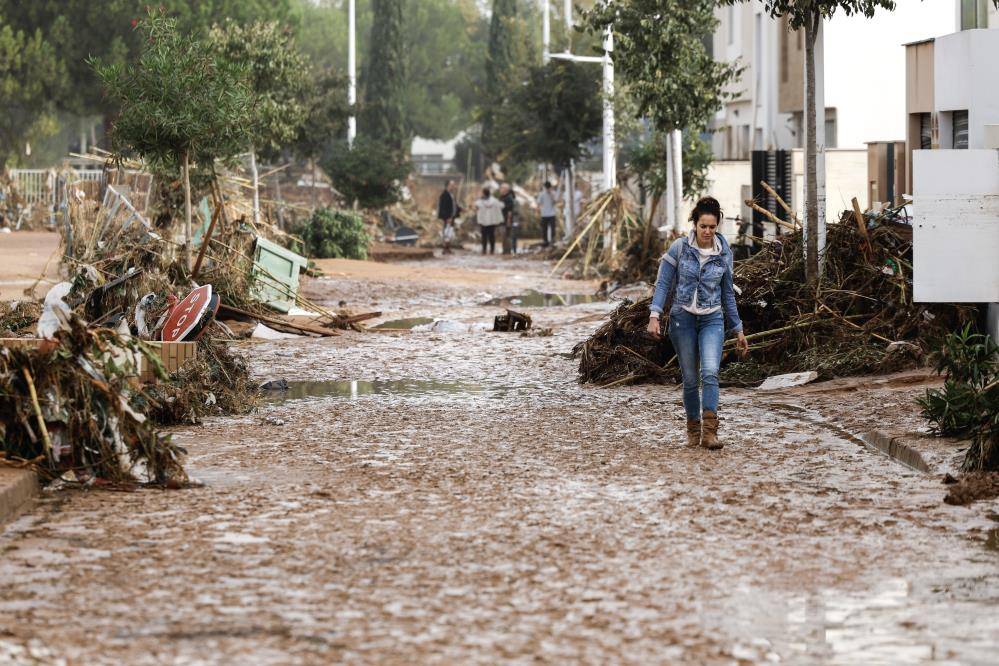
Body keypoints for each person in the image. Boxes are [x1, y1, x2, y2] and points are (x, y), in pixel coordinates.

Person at [647, 196, 749, 450]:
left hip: (712, 318)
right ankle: (693, 429)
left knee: (711, 372)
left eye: (712, 227)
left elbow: (727, 293)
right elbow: (663, 285)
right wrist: (654, 315)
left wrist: (738, 329)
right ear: (694, 224)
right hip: (683, 319)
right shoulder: (679, 249)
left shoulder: (724, 253)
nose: (707, 231)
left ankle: (710, 433)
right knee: (691, 378)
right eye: (703, 226)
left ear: (717, 227)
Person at [473, 187, 503, 255]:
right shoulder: (494, 200)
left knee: (484, 236)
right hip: (491, 220)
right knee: (491, 236)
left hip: (483, 221)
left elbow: (475, 208)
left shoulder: (480, 201)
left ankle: (484, 249)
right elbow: (501, 206)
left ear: (483, 193)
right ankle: (492, 250)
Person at [437, 180, 462, 255]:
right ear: (448, 185)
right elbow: (443, 208)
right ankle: (445, 249)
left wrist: (460, 209)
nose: (454, 186)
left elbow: (454, 205)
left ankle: (448, 248)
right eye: (452, 185)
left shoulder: (451, 195)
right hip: (447, 218)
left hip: (452, 217)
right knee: (447, 232)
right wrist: (447, 217)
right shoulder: (444, 195)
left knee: (450, 232)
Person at [499, 183, 518, 254]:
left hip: (506, 219)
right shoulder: (501, 197)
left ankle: (508, 250)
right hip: (501, 219)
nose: (500, 189)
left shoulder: (509, 198)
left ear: (506, 189)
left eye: (501, 188)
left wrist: (508, 220)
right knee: (504, 235)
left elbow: (510, 210)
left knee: (506, 235)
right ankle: (505, 250)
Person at [537, 181, 558, 247]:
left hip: (552, 214)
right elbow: (539, 203)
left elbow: (555, 202)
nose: (547, 189)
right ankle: (545, 241)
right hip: (544, 214)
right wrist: (539, 210)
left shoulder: (553, 193)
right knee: (544, 228)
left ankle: (553, 241)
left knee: (553, 228)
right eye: (546, 188)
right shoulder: (542, 194)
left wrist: (551, 195)